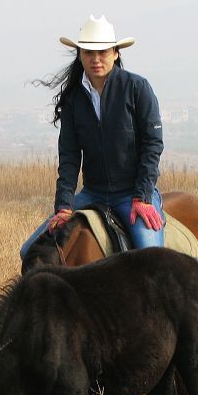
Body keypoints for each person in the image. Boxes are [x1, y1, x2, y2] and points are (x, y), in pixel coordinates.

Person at [20, 14, 165, 259]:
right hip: (92, 194)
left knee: (152, 260)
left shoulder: (137, 88)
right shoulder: (73, 99)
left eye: (103, 52)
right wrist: (64, 207)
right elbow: (69, 157)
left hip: (133, 193)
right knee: (29, 252)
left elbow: (153, 145)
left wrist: (142, 197)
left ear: (116, 53)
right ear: (80, 55)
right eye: (88, 52)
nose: (95, 59)